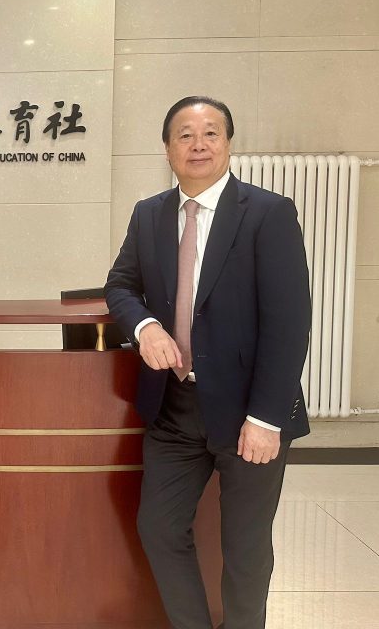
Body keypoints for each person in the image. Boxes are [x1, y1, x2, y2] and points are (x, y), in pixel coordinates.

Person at [104, 96, 311, 629]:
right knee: (159, 528)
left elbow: (289, 323)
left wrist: (266, 418)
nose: (198, 145)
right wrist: (145, 326)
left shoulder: (267, 213)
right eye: (185, 135)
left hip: (248, 411)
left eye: (211, 133)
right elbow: (120, 285)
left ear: (228, 144)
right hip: (174, 407)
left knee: (245, 547)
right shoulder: (149, 214)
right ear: (167, 149)